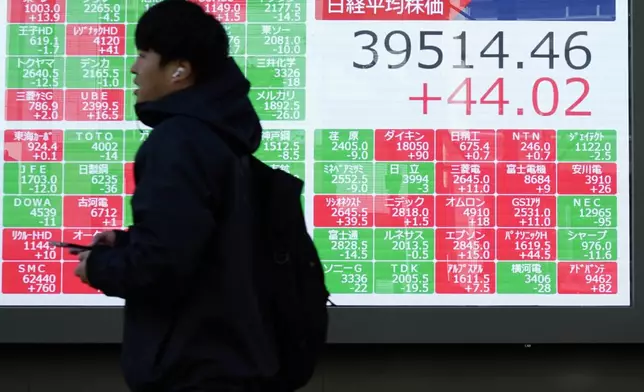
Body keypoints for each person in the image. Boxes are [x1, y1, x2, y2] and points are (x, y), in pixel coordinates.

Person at [72, 1, 281, 391]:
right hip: (230, 361)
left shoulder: (178, 142)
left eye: (144, 54)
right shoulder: (222, 139)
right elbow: (207, 244)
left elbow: (163, 265)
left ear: (179, 70)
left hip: (191, 369)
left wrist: (98, 267)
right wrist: (128, 242)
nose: (134, 68)